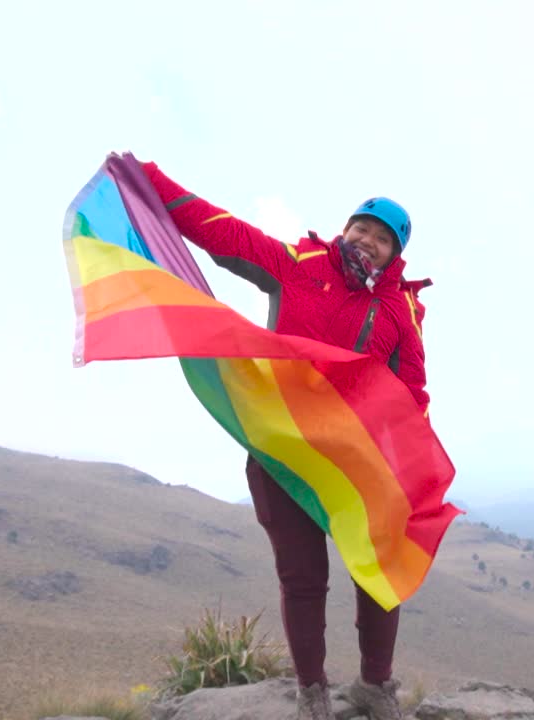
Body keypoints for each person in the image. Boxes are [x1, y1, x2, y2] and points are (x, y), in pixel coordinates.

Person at [139, 159, 432, 720]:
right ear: (346, 230)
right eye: (362, 229)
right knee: (303, 578)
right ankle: (312, 691)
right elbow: (219, 229)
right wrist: (149, 179)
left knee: (381, 571)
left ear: (396, 254)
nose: (368, 242)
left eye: (382, 239)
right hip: (285, 453)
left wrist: (408, 460)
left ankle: (375, 685)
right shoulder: (300, 265)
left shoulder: (400, 308)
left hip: (356, 462)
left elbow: (411, 390)